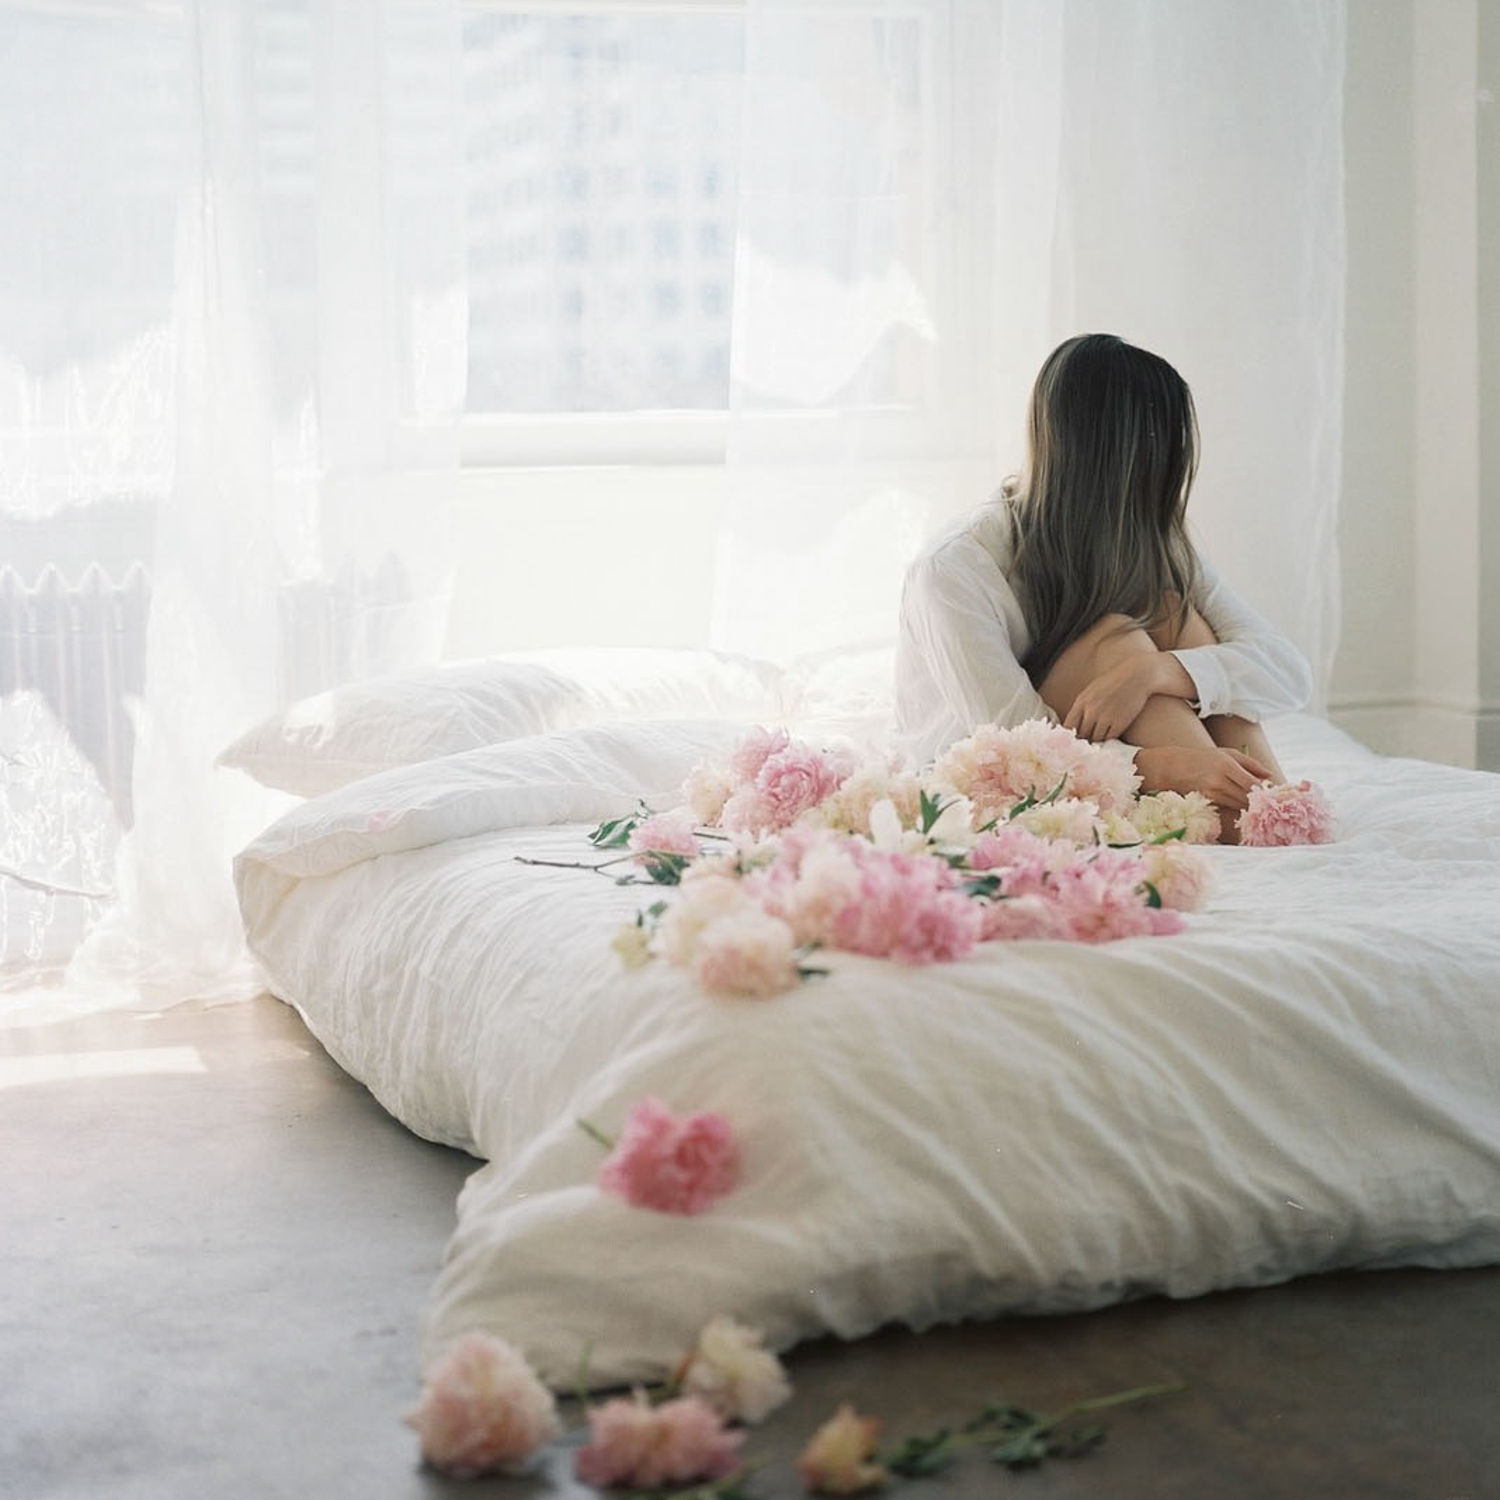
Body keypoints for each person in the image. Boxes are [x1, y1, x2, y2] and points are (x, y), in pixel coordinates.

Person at [894, 333, 1313, 837]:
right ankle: (1251, 819)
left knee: (1173, 617)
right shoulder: (955, 569)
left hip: (1086, 738)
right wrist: (1162, 766)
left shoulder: (1147, 538)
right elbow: (1014, 748)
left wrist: (1150, 673)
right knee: (1120, 640)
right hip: (998, 768)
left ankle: (1267, 812)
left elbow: (1288, 673)